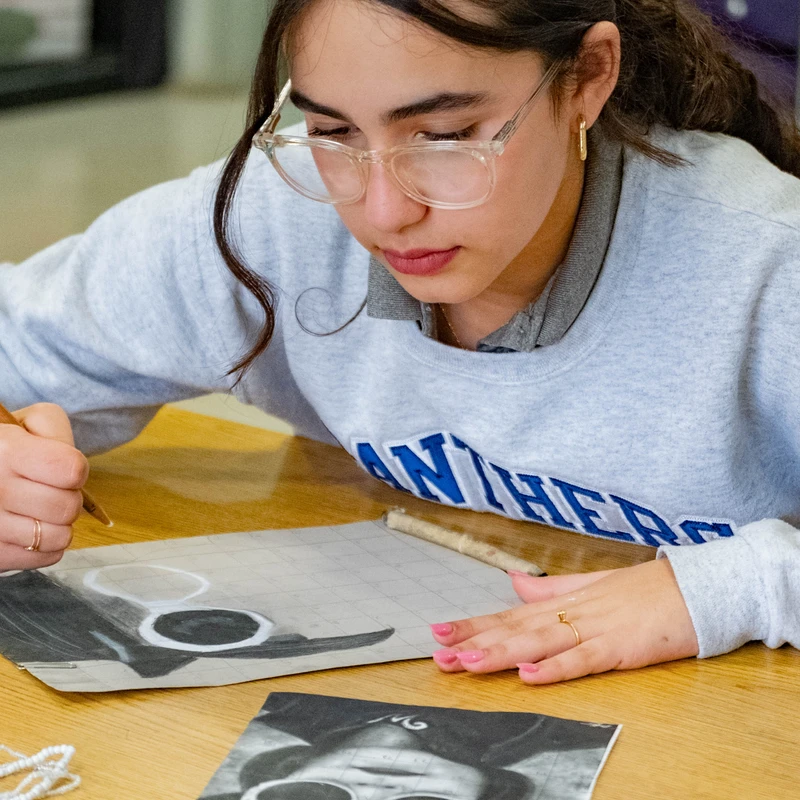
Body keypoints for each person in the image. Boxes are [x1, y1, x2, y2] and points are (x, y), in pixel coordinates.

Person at [1, 0, 799, 685]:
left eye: (447, 134)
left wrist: (733, 589)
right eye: (331, 128)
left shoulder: (764, 260)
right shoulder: (276, 217)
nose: (382, 210)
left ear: (588, 76)